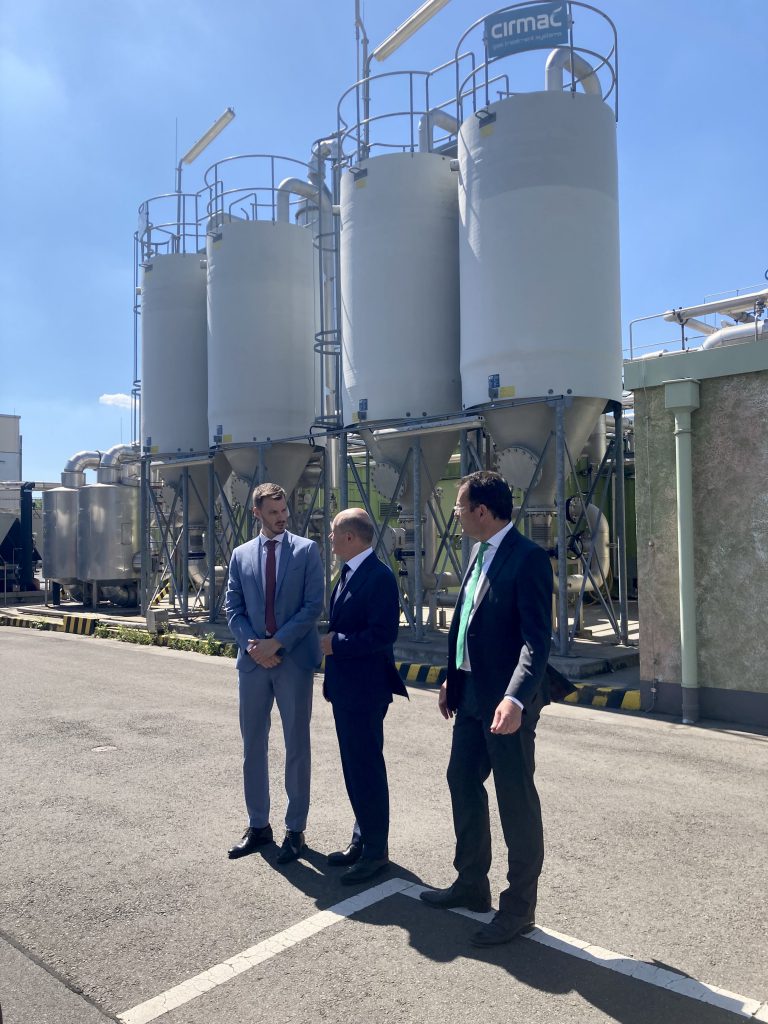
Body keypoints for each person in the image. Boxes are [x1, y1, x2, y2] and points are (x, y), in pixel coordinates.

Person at [420, 471, 553, 946]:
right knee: (461, 778)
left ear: (481, 511)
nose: (455, 515)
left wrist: (516, 698)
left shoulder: (529, 559)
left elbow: (537, 641)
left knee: (515, 799)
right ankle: (472, 883)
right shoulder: (478, 553)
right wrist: (450, 679)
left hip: (507, 702)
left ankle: (518, 908)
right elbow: (466, 626)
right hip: (472, 693)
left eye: (459, 507)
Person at [225, 482, 324, 865]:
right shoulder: (240, 555)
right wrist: (254, 645)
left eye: (284, 511)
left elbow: (312, 605)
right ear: (257, 514)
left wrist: (276, 643)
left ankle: (295, 830)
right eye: (273, 512)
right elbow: (233, 607)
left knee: (296, 746)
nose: (282, 517)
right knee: (253, 746)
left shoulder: (306, 550)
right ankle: (258, 826)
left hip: (292, 662)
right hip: (253, 664)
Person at [320, 508, 408, 885]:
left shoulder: (379, 578)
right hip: (346, 689)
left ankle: (376, 852)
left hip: (366, 690)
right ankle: (362, 838)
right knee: (354, 769)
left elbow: (383, 634)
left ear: (351, 538)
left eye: (334, 533)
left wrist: (335, 643)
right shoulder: (348, 573)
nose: (329, 539)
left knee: (367, 769)